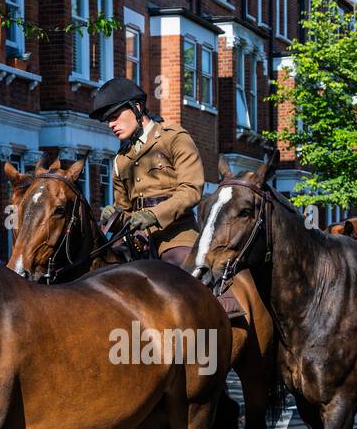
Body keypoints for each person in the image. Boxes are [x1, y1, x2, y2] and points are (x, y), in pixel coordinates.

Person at [91, 77, 243, 321]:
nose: (111, 124)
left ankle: (226, 316)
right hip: (136, 240)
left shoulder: (174, 137)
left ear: (137, 108)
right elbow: (126, 209)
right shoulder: (121, 160)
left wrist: (152, 215)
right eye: (108, 120)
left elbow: (191, 189)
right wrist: (116, 216)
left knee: (188, 275)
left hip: (176, 235)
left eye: (115, 116)